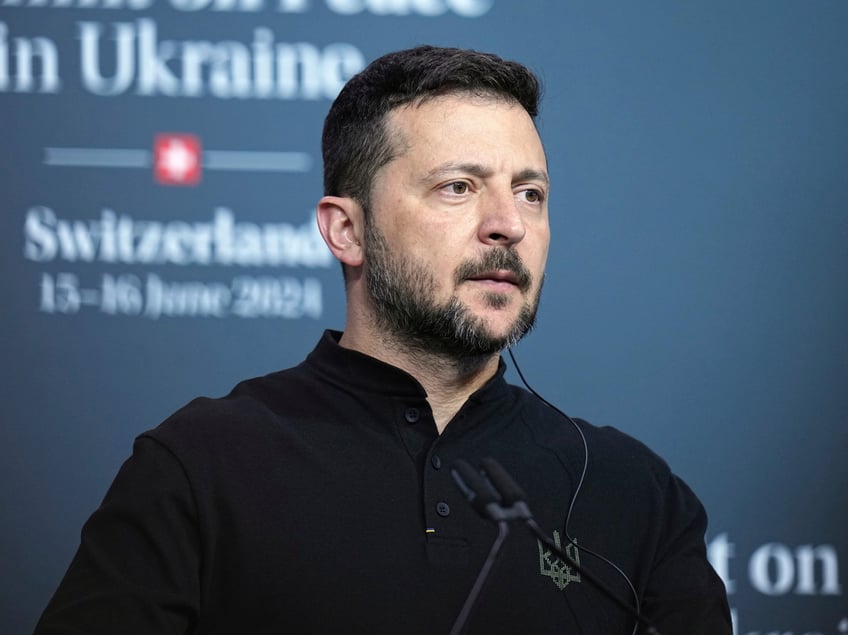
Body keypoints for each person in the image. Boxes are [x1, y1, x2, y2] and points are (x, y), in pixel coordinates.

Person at [35, 46, 731, 634]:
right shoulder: (198, 466)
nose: (507, 225)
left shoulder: (634, 492)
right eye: (459, 187)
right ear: (346, 229)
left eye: (530, 193)